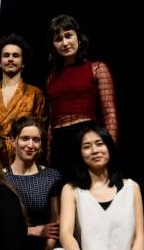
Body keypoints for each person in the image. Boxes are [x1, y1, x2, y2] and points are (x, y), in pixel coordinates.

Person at [46, 14, 118, 181]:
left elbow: (110, 114)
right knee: (63, 192)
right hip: (59, 143)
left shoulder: (97, 68)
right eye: (58, 39)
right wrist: (49, 155)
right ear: (53, 45)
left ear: (78, 37)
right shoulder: (51, 78)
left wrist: (110, 150)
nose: (65, 43)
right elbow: (50, 120)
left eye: (68, 35)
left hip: (87, 139)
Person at [0, 34, 46, 167]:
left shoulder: (35, 94)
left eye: (15, 55)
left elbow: (42, 132)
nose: (10, 59)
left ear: (23, 62)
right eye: (6, 55)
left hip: (26, 158)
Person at [4, 116, 62, 250]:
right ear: (13, 141)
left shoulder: (51, 176)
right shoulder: (0, 179)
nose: (30, 145)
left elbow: (55, 223)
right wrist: (32, 230)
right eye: (25, 139)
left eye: (36, 140)